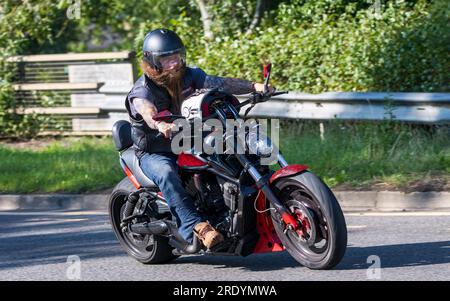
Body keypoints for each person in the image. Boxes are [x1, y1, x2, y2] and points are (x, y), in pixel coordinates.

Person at [125, 28, 272, 249]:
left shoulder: (189, 75)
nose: (174, 63)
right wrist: (159, 124)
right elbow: (146, 110)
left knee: (233, 150)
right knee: (166, 173)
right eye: (166, 59)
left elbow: (220, 83)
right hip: (156, 150)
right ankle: (196, 226)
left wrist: (255, 87)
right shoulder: (143, 90)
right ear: (153, 62)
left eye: (176, 56)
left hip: (188, 139)